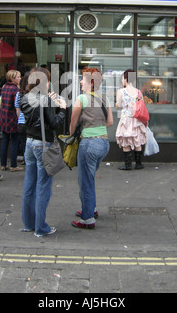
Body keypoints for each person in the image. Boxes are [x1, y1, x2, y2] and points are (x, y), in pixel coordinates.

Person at [20, 67, 66, 237]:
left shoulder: (24, 97)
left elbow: (36, 115)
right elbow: (54, 124)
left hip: (29, 143)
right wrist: (62, 109)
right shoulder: (45, 99)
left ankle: (28, 224)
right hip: (42, 145)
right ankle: (41, 228)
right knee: (43, 186)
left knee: (29, 184)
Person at [69, 68, 113, 230]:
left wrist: (70, 136)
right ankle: (91, 209)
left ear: (91, 83)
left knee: (85, 181)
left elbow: (73, 123)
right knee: (90, 177)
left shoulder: (81, 99)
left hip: (88, 144)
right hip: (103, 143)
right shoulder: (104, 98)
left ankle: (87, 219)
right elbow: (109, 122)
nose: (80, 82)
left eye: (83, 79)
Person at [115, 69, 147, 170]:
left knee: (125, 141)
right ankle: (138, 164)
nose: (122, 81)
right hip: (137, 120)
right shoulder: (138, 92)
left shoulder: (121, 91)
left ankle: (128, 165)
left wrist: (117, 103)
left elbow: (118, 106)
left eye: (122, 78)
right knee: (137, 142)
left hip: (126, 120)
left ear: (126, 78)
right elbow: (142, 106)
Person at [0, 69, 22, 172]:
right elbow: (17, 107)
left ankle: (3, 164)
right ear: (12, 78)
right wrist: (19, 119)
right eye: (18, 77)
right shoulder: (16, 90)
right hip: (12, 117)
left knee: (5, 140)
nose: (20, 78)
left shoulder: (4, 87)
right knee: (15, 141)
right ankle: (13, 165)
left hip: (3, 116)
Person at [15, 71, 30, 165]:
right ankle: (29, 160)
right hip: (31, 123)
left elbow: (18, 110)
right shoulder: (34, 95)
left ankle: (26, 159)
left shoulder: (19, 94)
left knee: (24, 143)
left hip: (21, 122)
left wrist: (20, 119)